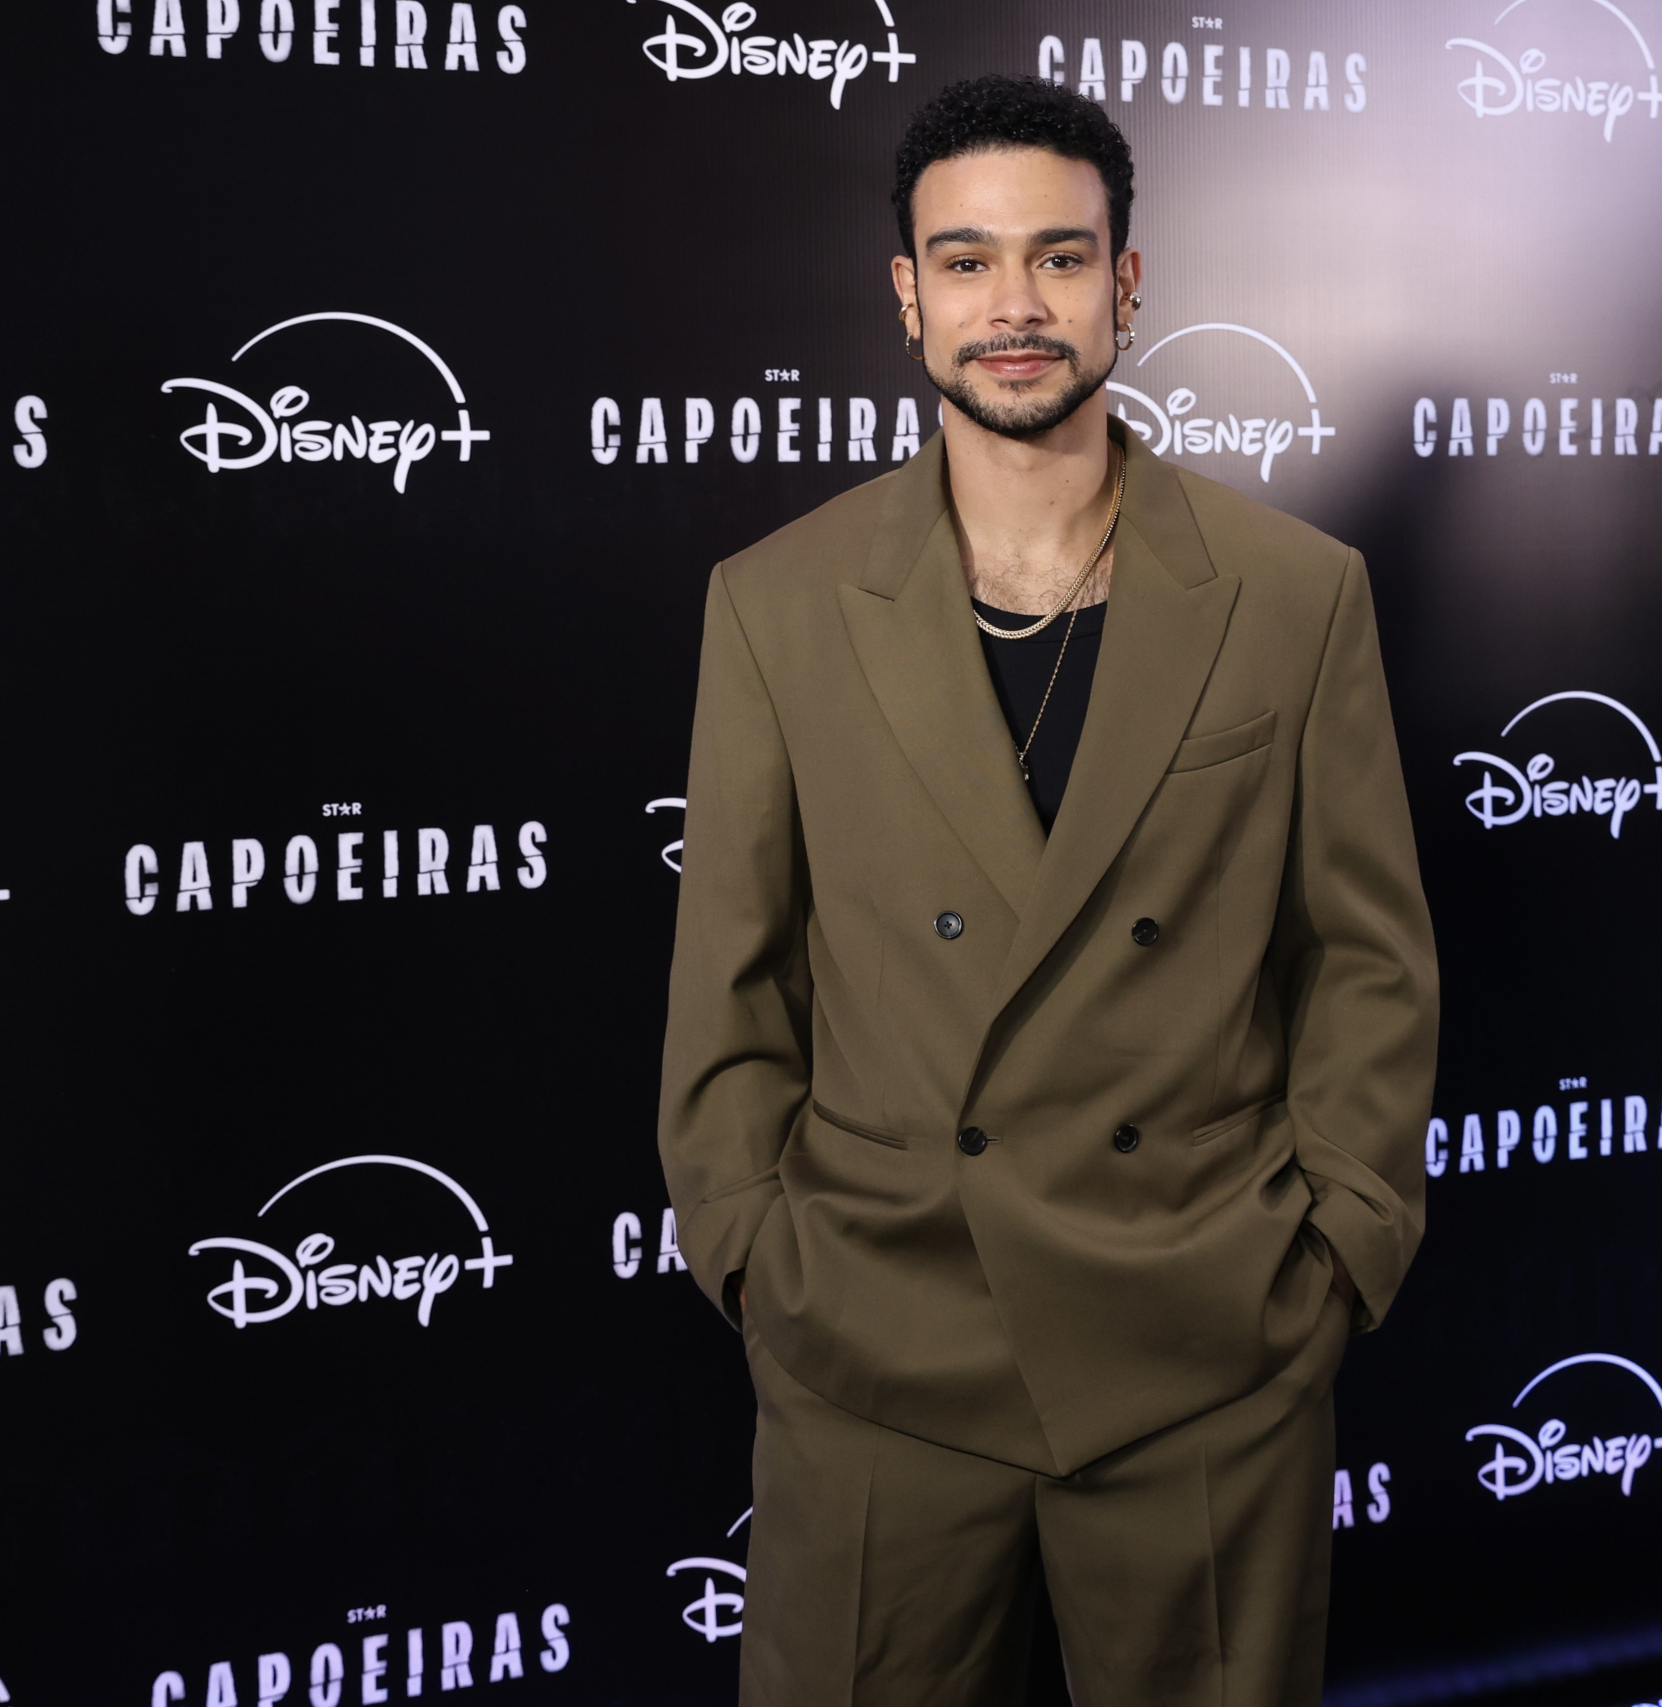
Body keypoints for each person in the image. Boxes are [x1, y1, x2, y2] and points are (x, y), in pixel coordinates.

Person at [659, 73, 1438, 1707]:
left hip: (1203, 1339)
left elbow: (1364, 955)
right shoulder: (777, 603)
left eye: (1059, 258)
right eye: (967, 261)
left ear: (1125, 282)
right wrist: (751, 1251)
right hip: (877, 1339)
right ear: (907, 296)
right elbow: (734, 974)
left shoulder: (1295, 595)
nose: (1013, 306)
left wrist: (1334, 1252)